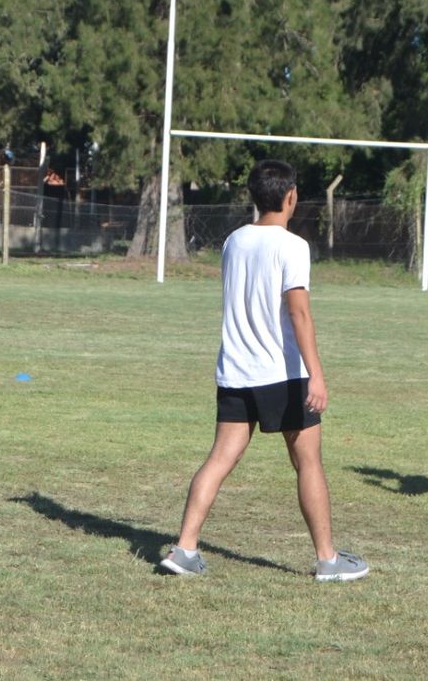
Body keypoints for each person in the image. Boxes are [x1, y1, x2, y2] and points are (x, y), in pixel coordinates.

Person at [159, 160, 368, 582]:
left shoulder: (233, 241)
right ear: (290, 196)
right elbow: (299, 312)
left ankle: (184, 549)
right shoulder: (293, 246)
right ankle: (328, 560)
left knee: (219, 459)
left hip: (236, 371)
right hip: (282, 375)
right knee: (308, 462)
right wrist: (317, 374)